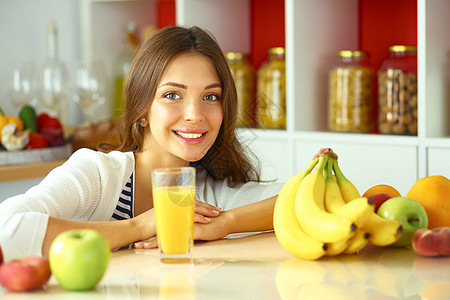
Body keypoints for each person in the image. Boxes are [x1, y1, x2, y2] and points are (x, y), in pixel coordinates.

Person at [0, 26, 283, 262]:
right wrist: (140, 226)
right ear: (142, 109)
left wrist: (225, 224)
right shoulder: (98, 174)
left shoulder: (208, 197)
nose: (195, 115)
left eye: (211, 97)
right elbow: (7, 229)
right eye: (172, 95)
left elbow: (307, 197)